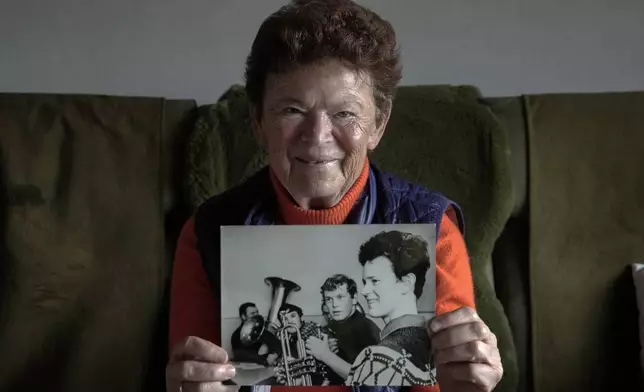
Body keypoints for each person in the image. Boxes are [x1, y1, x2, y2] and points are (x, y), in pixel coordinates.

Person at [166, 0, 503, 391]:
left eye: (344, 113)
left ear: (378, 123)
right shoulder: (206, 234)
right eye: (292, 110)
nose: (318, 137)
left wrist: (469, 381)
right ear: (257, 121)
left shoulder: (432, 229)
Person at [345, 231, 436, 386]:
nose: (364, 291)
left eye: (374, 281)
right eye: (364, 282)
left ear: (406, 283)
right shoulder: (437, 342)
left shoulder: (378, 358)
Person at [305, 274, 380, 381]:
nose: (334, 304)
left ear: (354, 298)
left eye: (340, 297)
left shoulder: (365, 329)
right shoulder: (334, 326)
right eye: (329, 299)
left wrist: (325, 355)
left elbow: (367, 379)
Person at [272, 303, 340, 386]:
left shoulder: (310, 329)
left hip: (329, 379)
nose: (289, 321)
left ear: (301, 317)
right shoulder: (289, 337)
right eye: (285, 319)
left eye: (293, 316)